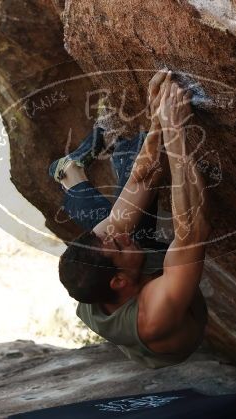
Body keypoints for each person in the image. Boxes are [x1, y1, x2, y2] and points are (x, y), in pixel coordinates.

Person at [57, 71, 211, 369]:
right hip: (159, 318)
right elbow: (194, 229)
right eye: (117, 245)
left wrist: (157, 118)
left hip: (130, 271)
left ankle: (68, 176)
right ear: (120, 281)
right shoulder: (153, 316)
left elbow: (142, 183)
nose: (119, 235)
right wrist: (175, 128)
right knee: (128, 226)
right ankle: (70, 179)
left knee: (114, 214)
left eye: (111, 238)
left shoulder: (105, 252)